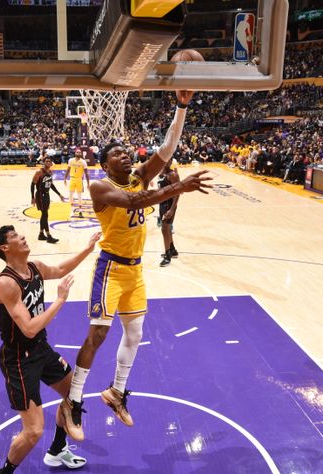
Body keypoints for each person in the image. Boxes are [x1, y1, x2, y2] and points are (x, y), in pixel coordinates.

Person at [60, 90, 213, 441]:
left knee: (135, 333)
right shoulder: (101, 187)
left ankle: (116, 392)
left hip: (135, 271)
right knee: (98, 334)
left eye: (126, 151)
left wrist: (182, 106)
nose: (125, 155)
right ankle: (73, 400)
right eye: (117, 153)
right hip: (110, 269)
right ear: (105, 163)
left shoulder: (140, 174)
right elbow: (134, 201)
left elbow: (167, 148)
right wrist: (180, 189)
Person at [0, 225, 100, 474]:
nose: (22, 237)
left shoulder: (34, 267)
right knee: (34, 430)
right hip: (19, 360)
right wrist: (60, 299)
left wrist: (88, 248)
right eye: (15, 237)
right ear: (5, 248)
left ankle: (57, 450)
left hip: (41, 349)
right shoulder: (6, 283)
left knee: (73, 392)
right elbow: (28, 327)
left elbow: (60, 268)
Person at [30, 157, 64, 244]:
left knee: (44, 215)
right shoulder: (39, 172)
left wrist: (59, 194)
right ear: (44, 162)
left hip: (47, 195)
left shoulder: (50, 172)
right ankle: (48, 236)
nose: (48, 163)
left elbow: (51, 185)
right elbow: (32, 184)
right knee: (45, 214)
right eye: (47, 161)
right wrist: (32, 197)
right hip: (40, 195)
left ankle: (41, 234)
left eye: (50, 161)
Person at [157, 161, 180, 267]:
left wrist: (172, 209)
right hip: (162, 204)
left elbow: (177, 193)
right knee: (167, 228)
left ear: (170, 162)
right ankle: (172, 250)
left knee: (164, 229)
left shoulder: (173, 175)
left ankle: (167, 256)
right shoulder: (161, 173)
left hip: (169, 205)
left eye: (167, 160)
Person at [65, 151, 90, 217]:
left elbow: (87, 173)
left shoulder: (83, 162)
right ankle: (72, 209)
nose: (78, 153)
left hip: (79, 179)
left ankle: (80, 211)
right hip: (72, 179)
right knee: (70, 195)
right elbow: (68, 169)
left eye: (79, 152)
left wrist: (88, 183)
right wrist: (65, 178)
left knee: (79, 196)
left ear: (81, 154)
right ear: (75, 153)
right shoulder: (71, 160)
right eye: (77, 152)